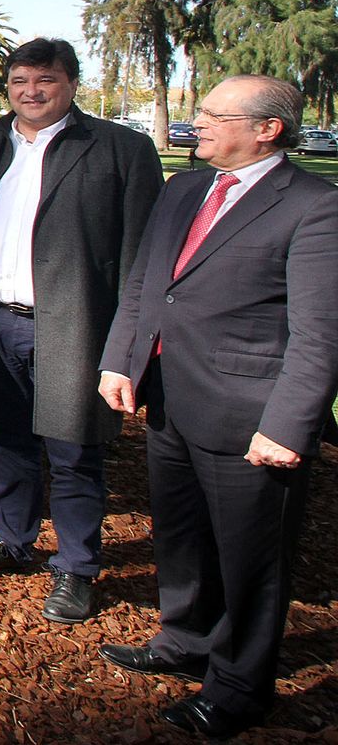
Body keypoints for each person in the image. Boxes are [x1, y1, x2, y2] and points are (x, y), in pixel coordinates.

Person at [94, 75, 338, 738]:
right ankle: (183, 641)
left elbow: (320, 330)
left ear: (268, 128)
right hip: (171, 399)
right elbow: (146, 282)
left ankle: (237, 684)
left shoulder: (314, 206)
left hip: (251, 415)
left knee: (251, 559)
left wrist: (288, 423)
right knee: (180, 535)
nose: (195, 122)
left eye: (213, 113)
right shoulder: (183, 188)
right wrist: (123, 358)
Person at [0, 38, 162, 624]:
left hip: (74, 327)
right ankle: (14, 540)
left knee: (75, 449)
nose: (31, 93)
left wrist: (130, 342)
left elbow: (140, 255)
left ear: (72, 83)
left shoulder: (119, 149)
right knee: (8, 439)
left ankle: (77, 568)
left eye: (45, 81)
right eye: (19, 82)